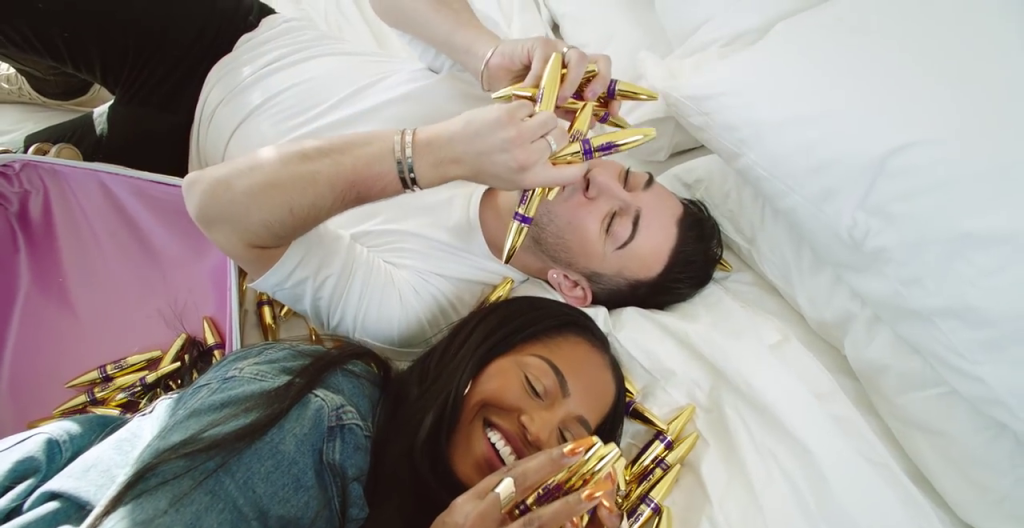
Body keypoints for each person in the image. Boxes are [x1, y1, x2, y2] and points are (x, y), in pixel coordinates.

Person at [1, 0, 724, 355]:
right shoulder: (534, 111)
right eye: (630, 179)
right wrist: (487, 54)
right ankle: (58, 78)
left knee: (28, 180)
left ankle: (69, 108)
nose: (599, 182)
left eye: (615, 222)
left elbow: (215, 205)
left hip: (174, 170)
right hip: (230, 47)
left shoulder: (424, 304)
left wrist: (441, 154)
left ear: (571, 286)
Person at [0, 297, 628, 527]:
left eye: (569, 438)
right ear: (473, 354)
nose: (538, 431)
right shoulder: (314, 422)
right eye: (535, 386)